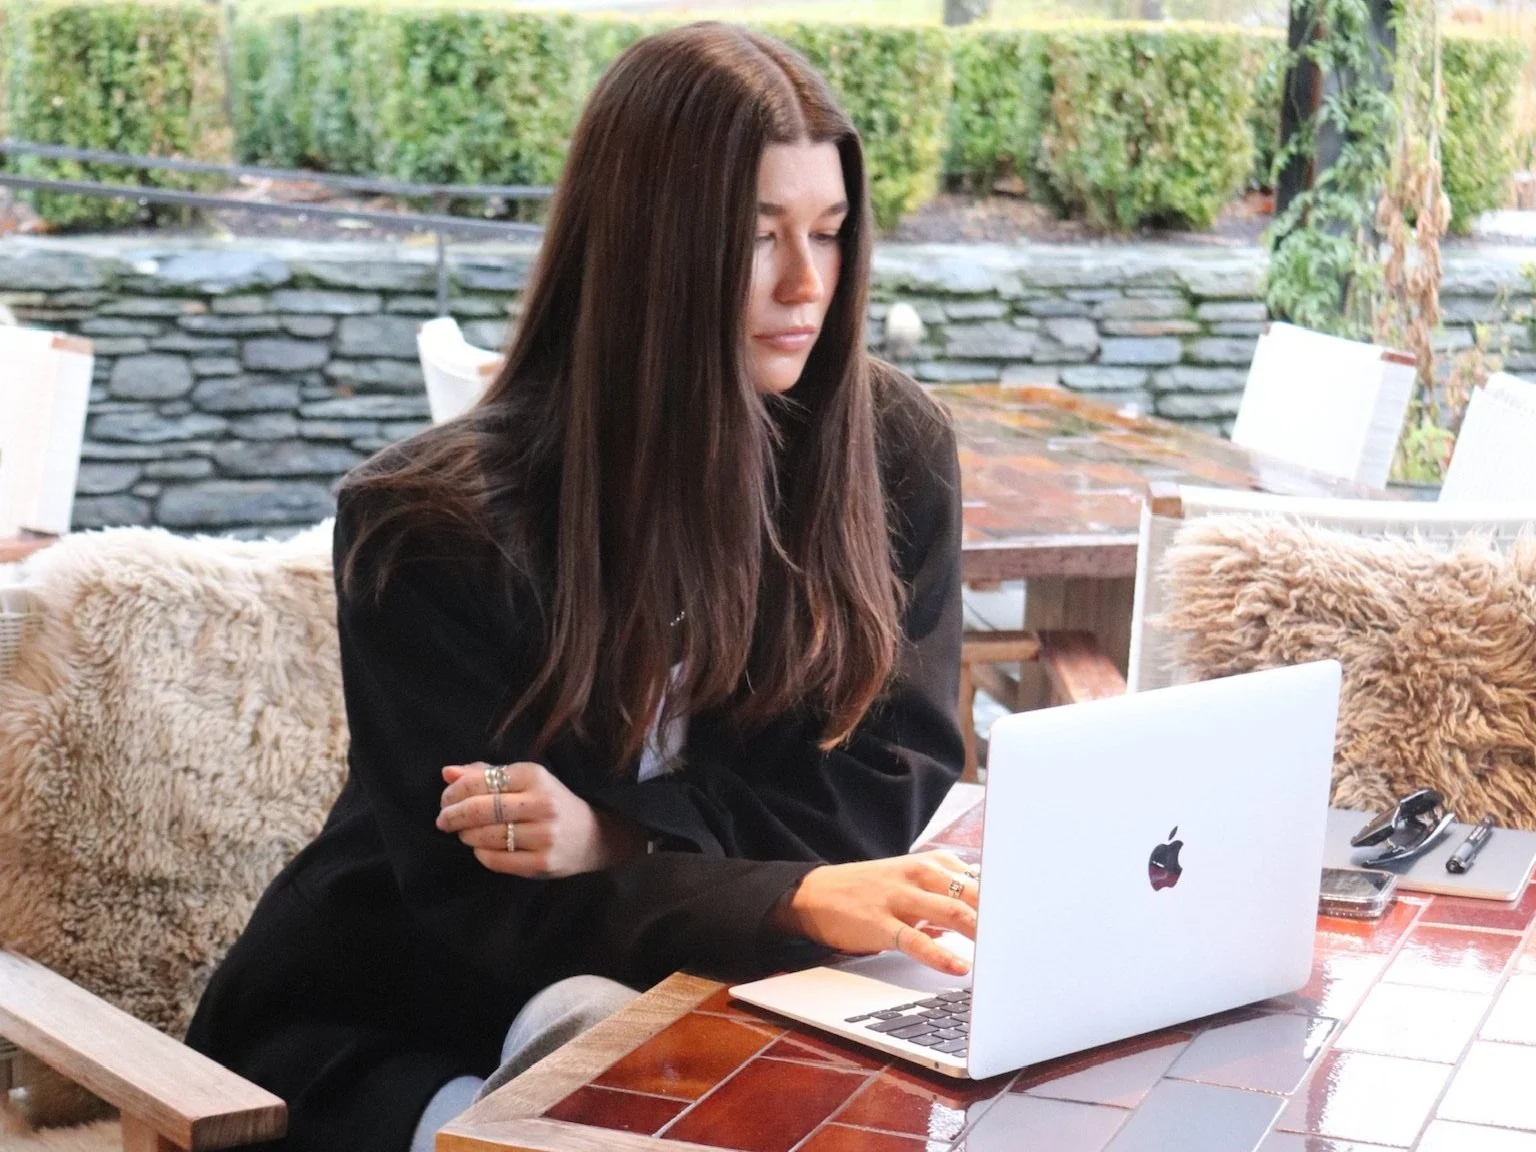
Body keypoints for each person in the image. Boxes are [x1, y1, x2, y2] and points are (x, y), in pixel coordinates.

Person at [186, 22, 974, 1152]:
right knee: (590, 1030)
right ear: (653, 246)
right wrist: (782, 893)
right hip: (400, 1027)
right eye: (759, 237)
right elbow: (486, 910)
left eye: (832, 232)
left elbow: (878, 792)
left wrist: (619, 836)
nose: (808, 283)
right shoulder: (430, 528)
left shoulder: (888, 451)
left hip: (718, 998)